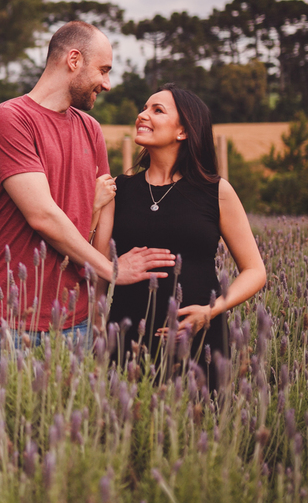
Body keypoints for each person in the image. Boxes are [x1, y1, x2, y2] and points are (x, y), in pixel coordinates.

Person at [0, 22, 176, 354]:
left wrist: (97, 298)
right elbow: (42, 215)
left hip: (77, 320)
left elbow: (106, 208)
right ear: (73, 60)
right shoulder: (9, 120)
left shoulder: (90, 128)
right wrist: (113, 270)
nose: (107, 84)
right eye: (103, 70)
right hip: (10, 317)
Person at [93, 84, 266, 389]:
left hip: (198, 339)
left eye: (157, 111)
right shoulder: (117, 189)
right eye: (144, 108)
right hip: (126, 336)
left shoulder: (216, 191)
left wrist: (210, 311)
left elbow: (255, 271)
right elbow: (97, 266)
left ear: (183, 131)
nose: (142, 115)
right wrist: (95, 327)